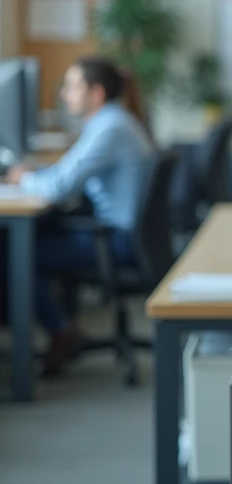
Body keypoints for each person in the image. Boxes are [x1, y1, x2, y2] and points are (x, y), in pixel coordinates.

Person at [4, 58, 154, 375]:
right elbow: (67, 175)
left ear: (96, 93)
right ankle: (60, 326)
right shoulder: (111, 121)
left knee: (14, 253)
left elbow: (60, 187)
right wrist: (37, 175)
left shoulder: (110, 127)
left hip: (116, 241)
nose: (64, 94)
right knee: (32, 237)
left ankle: (61, 331)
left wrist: (24, 179)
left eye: (72, 86)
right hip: (119, 232)